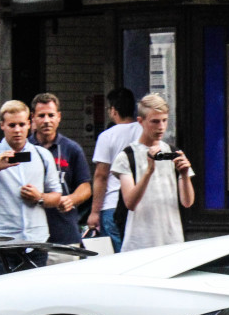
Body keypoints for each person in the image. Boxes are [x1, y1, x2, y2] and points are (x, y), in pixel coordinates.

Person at [0, 100, 61, 242]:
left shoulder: (42, 155)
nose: (17, 130)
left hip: (36, 239)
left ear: (29, 124)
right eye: (12, 125)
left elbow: (56, 195)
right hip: (1, 238)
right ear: (2, 125)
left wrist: (39, 197)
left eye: (21, 124)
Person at [112, 94, 193, 252]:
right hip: (139, 242)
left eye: (164, 120)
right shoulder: (127, 156)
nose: (161, 127)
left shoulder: (173, 152)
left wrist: (184, 174)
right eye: (155, 121)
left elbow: (187, 202)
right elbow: (130, 203)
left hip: (172, 240)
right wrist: (149, 171)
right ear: (141, 121)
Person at [30, 93, 93, 245]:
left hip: (65, 233)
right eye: (41, 115)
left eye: (51, 115)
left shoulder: (71, 149)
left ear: (59, 117)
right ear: (33, 117)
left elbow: (85, 187)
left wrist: (71, 199)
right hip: (31, 235)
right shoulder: (24, 150)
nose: (46, 120)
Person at [88, 87, 141, 252]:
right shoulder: (144, 132)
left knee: (117, 256)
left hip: (112, 204)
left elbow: (101, 176)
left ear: (113, 110)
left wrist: (94, 212)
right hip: (139, 203)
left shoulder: (107, 136)